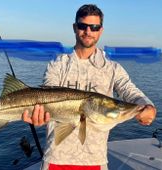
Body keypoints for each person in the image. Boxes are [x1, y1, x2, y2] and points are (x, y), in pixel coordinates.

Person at [22, 4, 157, 170]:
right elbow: (47, 93)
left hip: (95, 160)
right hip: (55, 158)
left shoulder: (112, 68)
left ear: (100, 30)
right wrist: (38, 115)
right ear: (74, 27)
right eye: (82, 26)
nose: (88, 32)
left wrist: (147, 106)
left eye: (94, 27)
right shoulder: (57, 64)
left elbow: (130, 90)